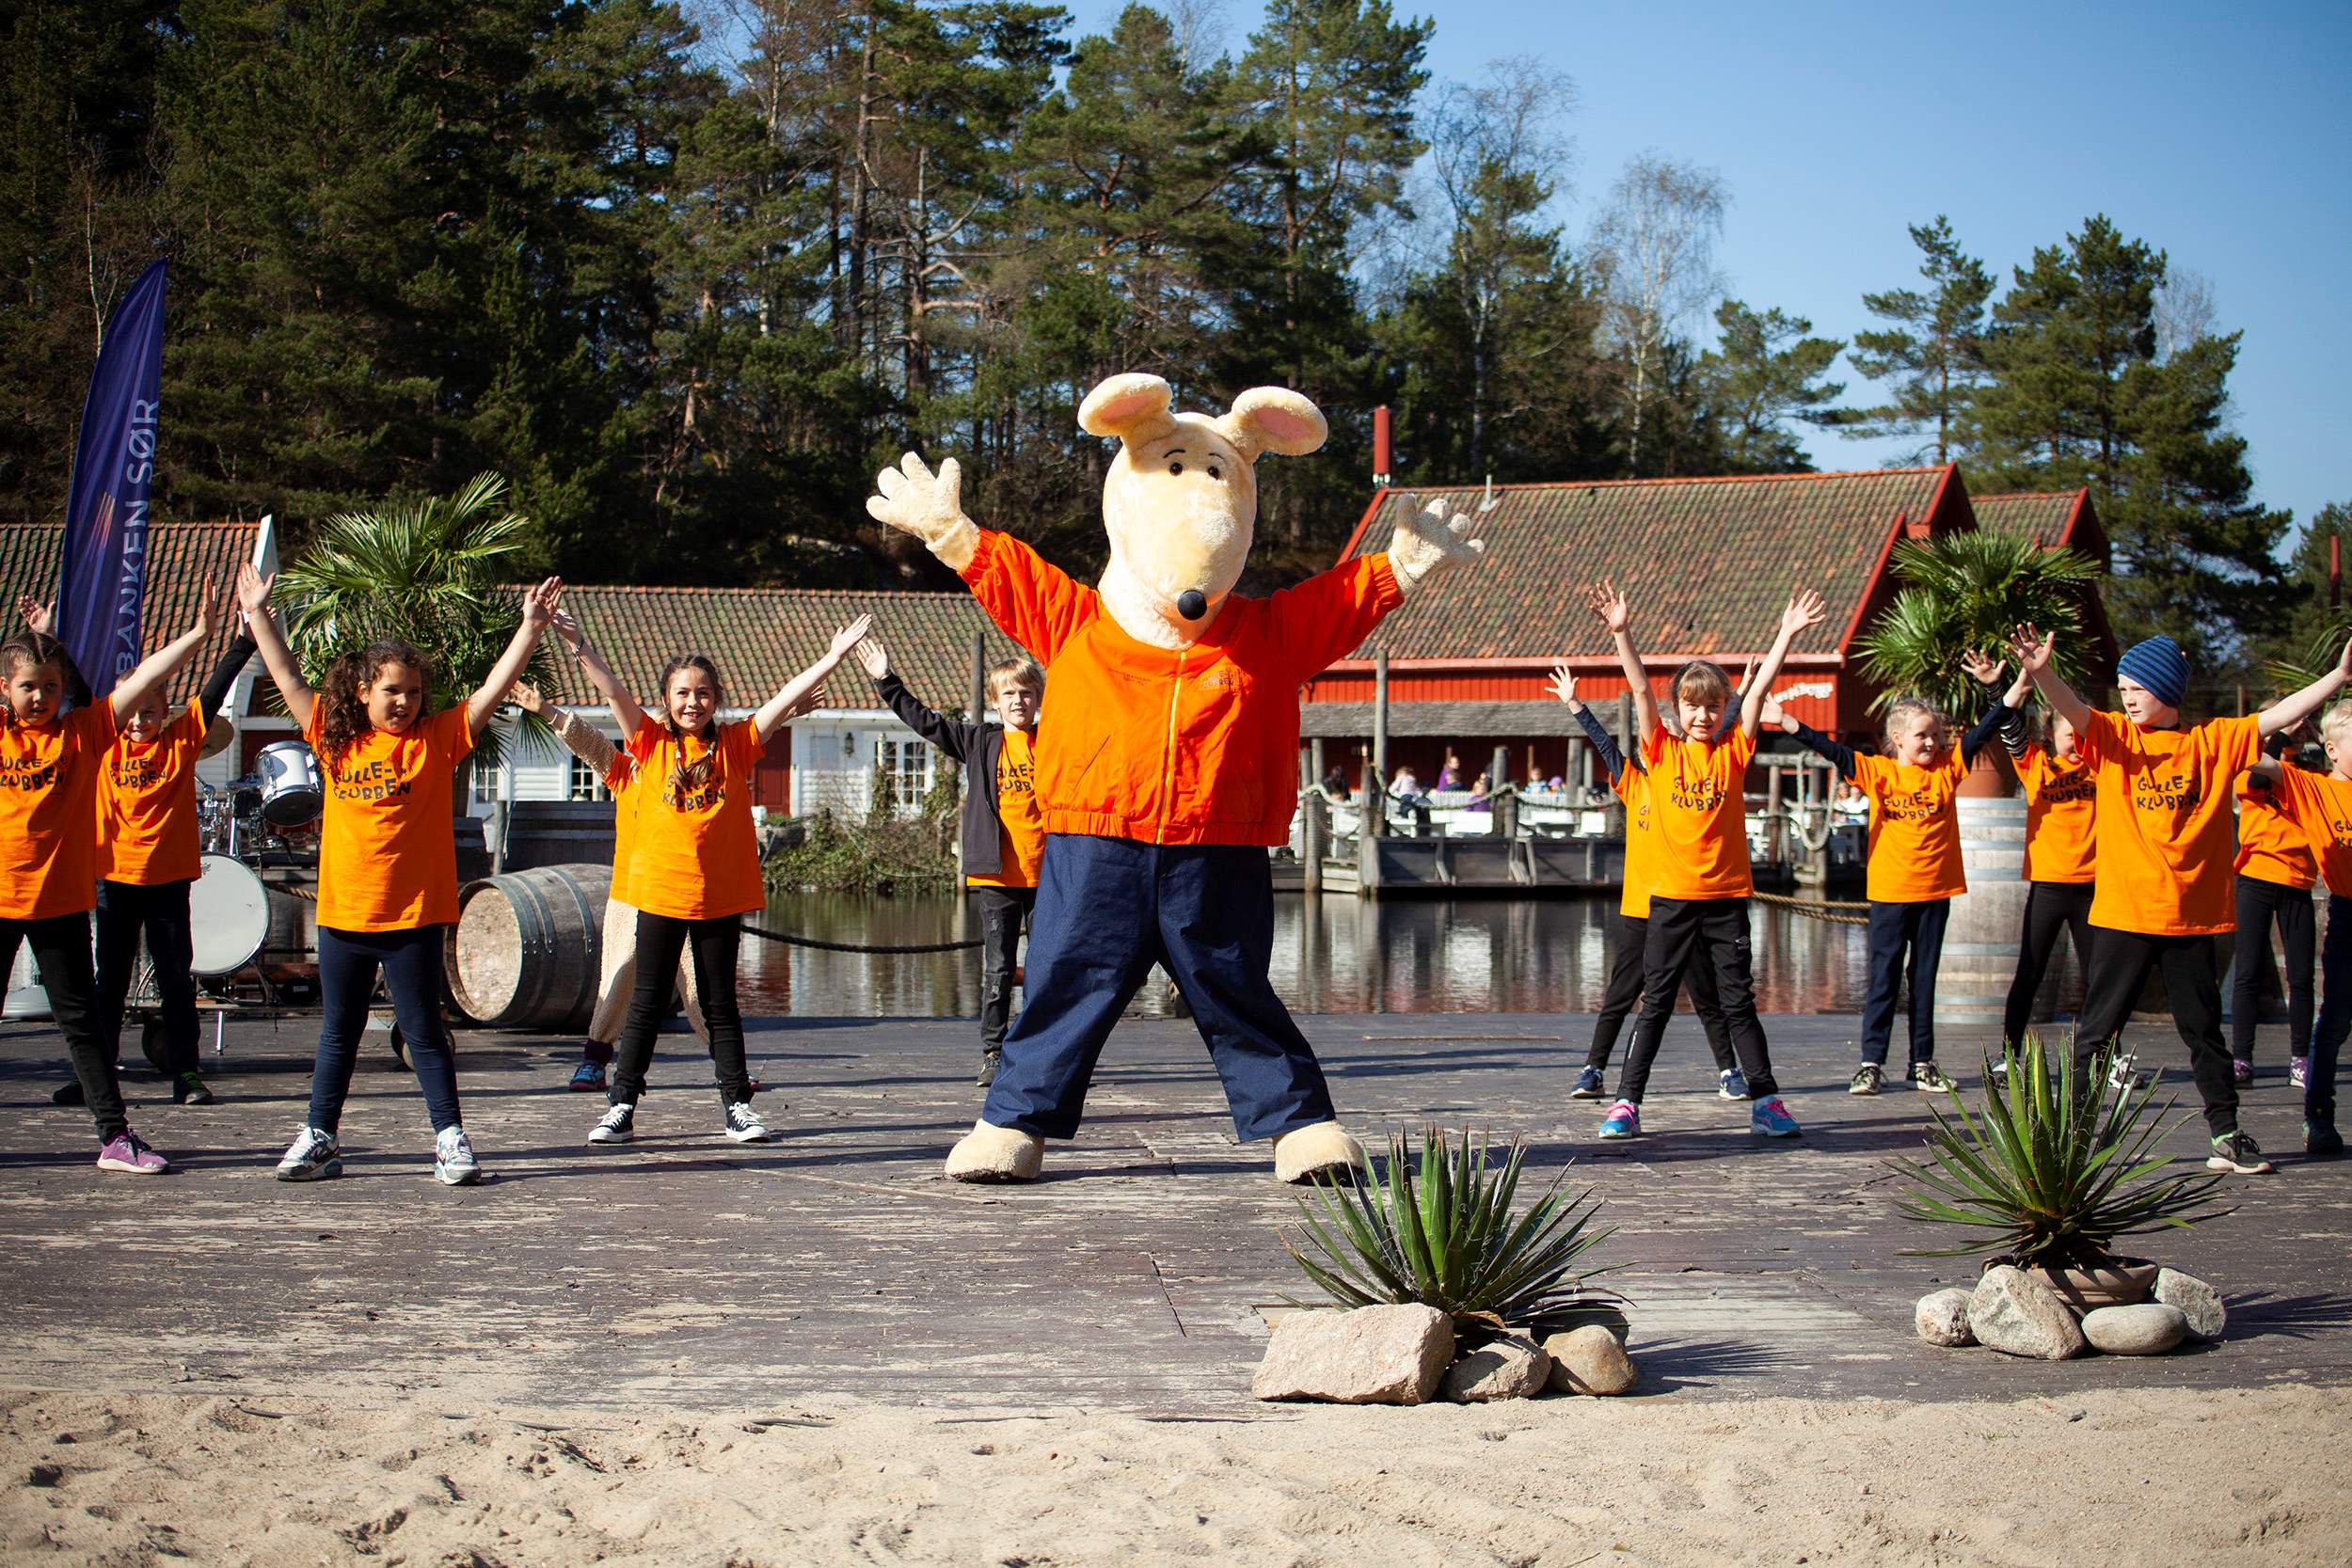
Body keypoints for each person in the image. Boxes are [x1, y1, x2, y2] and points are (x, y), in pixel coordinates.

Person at [242, 562, 564, 1184]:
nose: (405, 701)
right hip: (343, 915)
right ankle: (320, 1136)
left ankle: (450, 1139)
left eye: (414, 692)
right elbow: (285, 674)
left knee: (423, 1030)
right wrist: (258, 614)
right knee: (340, 1030)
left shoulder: (436, 738)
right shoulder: (334, 739)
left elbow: (493, 690)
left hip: (412, 916)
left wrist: (528, 630)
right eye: (392, 691)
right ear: (362, 691)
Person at [2010, 624, 2352, 1177]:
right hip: (2123, 915)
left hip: (2191, 920)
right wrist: (2042, 670)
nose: (2126, 696)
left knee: (2203, 1034)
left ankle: (2226, 1133)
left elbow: (2277, 715)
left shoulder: (2210, 743)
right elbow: (2072, 709)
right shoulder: (2116, 739)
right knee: (2097, 1033)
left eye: (2136, 688)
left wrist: (2337, 676)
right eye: (2122, 689)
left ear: (2166, 689)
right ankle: (2069, 1143)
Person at [585, 616, 870, 1148]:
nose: (692, 703)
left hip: (719, 897)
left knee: (720, 1002)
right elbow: (612, 691)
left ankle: (737, 1105)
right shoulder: (648, 743)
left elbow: (786, 697)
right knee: (646, 1001)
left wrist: (832, 658)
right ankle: (622, 1104)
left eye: (703, 693)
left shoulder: (736, 745)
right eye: (682, 694)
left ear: (716, 699)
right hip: (661, 894)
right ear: (667, 699)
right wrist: (578, 643)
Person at [4, 576, 230, 1173]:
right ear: (6, 690)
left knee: (81, 1023)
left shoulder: (83, 734)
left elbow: (141, 680)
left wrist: (199, 635)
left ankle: (114, 1137)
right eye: (28, 687)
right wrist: (44, 635)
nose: (40, 697)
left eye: (51, 687)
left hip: (58, 905)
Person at [1586, 578, 1823, 1140]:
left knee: (1739, 1002)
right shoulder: (1661, 752)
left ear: (1723, 711)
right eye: (1692, 706)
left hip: (1725, 902)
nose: (1702, 715)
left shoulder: (1734, 753)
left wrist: (1785, 634)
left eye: (1712, 706)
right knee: (1658, 1003)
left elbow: (1759, 692)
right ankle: (1626, 1103)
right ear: (1678, 711)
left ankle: (1766, 1101)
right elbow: (1642, 691)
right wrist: (1623, 633)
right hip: (1669, 900)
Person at [1766, 663, 2013, 1094]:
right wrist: (1789, 722)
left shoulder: (1948, 769)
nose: (1932, 742)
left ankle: (1922, 1062)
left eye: (1936, 735)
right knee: (1882, 978)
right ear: (1898, 738)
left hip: (1936, 892)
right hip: (1890, 893)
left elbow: (1985, 730)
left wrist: (2003, 689)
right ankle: (1871, 1062)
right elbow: (1831, 750)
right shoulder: (1880, 772)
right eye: (1922, 735)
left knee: (1924, 978)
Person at [506, 648, 710, 1093]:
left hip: (683, 894)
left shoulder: (698, 771)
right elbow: (590, 742)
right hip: (633, 894)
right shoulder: (625, 773)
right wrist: (546, 710)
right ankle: (595, 1059)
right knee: (619, 975)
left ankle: (728, 1064)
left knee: (698, 983)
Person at [854, 632, 1045, 1087]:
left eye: (1026, 692)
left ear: (1039, 697)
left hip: (1050, 874)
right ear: (996, 702)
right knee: (998, 966)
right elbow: (927, 723)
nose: (1018, 700)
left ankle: (1041, 1052)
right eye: (1009, 694)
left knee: (1047, 965)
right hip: (995, 874)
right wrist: (886, 680)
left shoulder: (1057, 741)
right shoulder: (980, 741)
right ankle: (994, 1052)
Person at [1551, 663, 1745, 1109]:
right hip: (1642, 907)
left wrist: (1742, 693)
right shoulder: (1633, 784)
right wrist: (1575, 705)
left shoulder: (1687, 777)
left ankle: (1729, 1069)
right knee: (1622, 995)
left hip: (1684, 898)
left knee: (1706, 995)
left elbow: (1722, 732)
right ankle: (1595, 1067)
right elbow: (1604, 745)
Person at [1976, 656, 2098, 1057]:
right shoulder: (2037, 767)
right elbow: (2009, 729)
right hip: (2048, 885)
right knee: (2029, 973)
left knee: (2101, 979)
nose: (2077, 744)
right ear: (2050, 735)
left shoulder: (2104, 768)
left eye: (2081, 735)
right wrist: (1997, 688)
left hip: (2095, 888)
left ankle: (2103, 1056)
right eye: (2069, 736)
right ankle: (2008, 1054)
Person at [2246, 700, 2352, 1157]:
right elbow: (2246, 754)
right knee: (2334, 1023)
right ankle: (2318, 1116)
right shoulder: (2314, 789)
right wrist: (2284, 727)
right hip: (2348, 915)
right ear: (2331, 748)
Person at [2231, 724, 2316, 1088]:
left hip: (2297, 882)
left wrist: (2303, 740)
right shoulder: (2248, 772)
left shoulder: (2307, 774)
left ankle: (2300, 1058)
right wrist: (2280, 734)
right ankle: (2241, 1059)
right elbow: (2257, 776)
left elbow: (2319, 783)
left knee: (2300, 976)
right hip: (2255, 877)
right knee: (2247, 972)